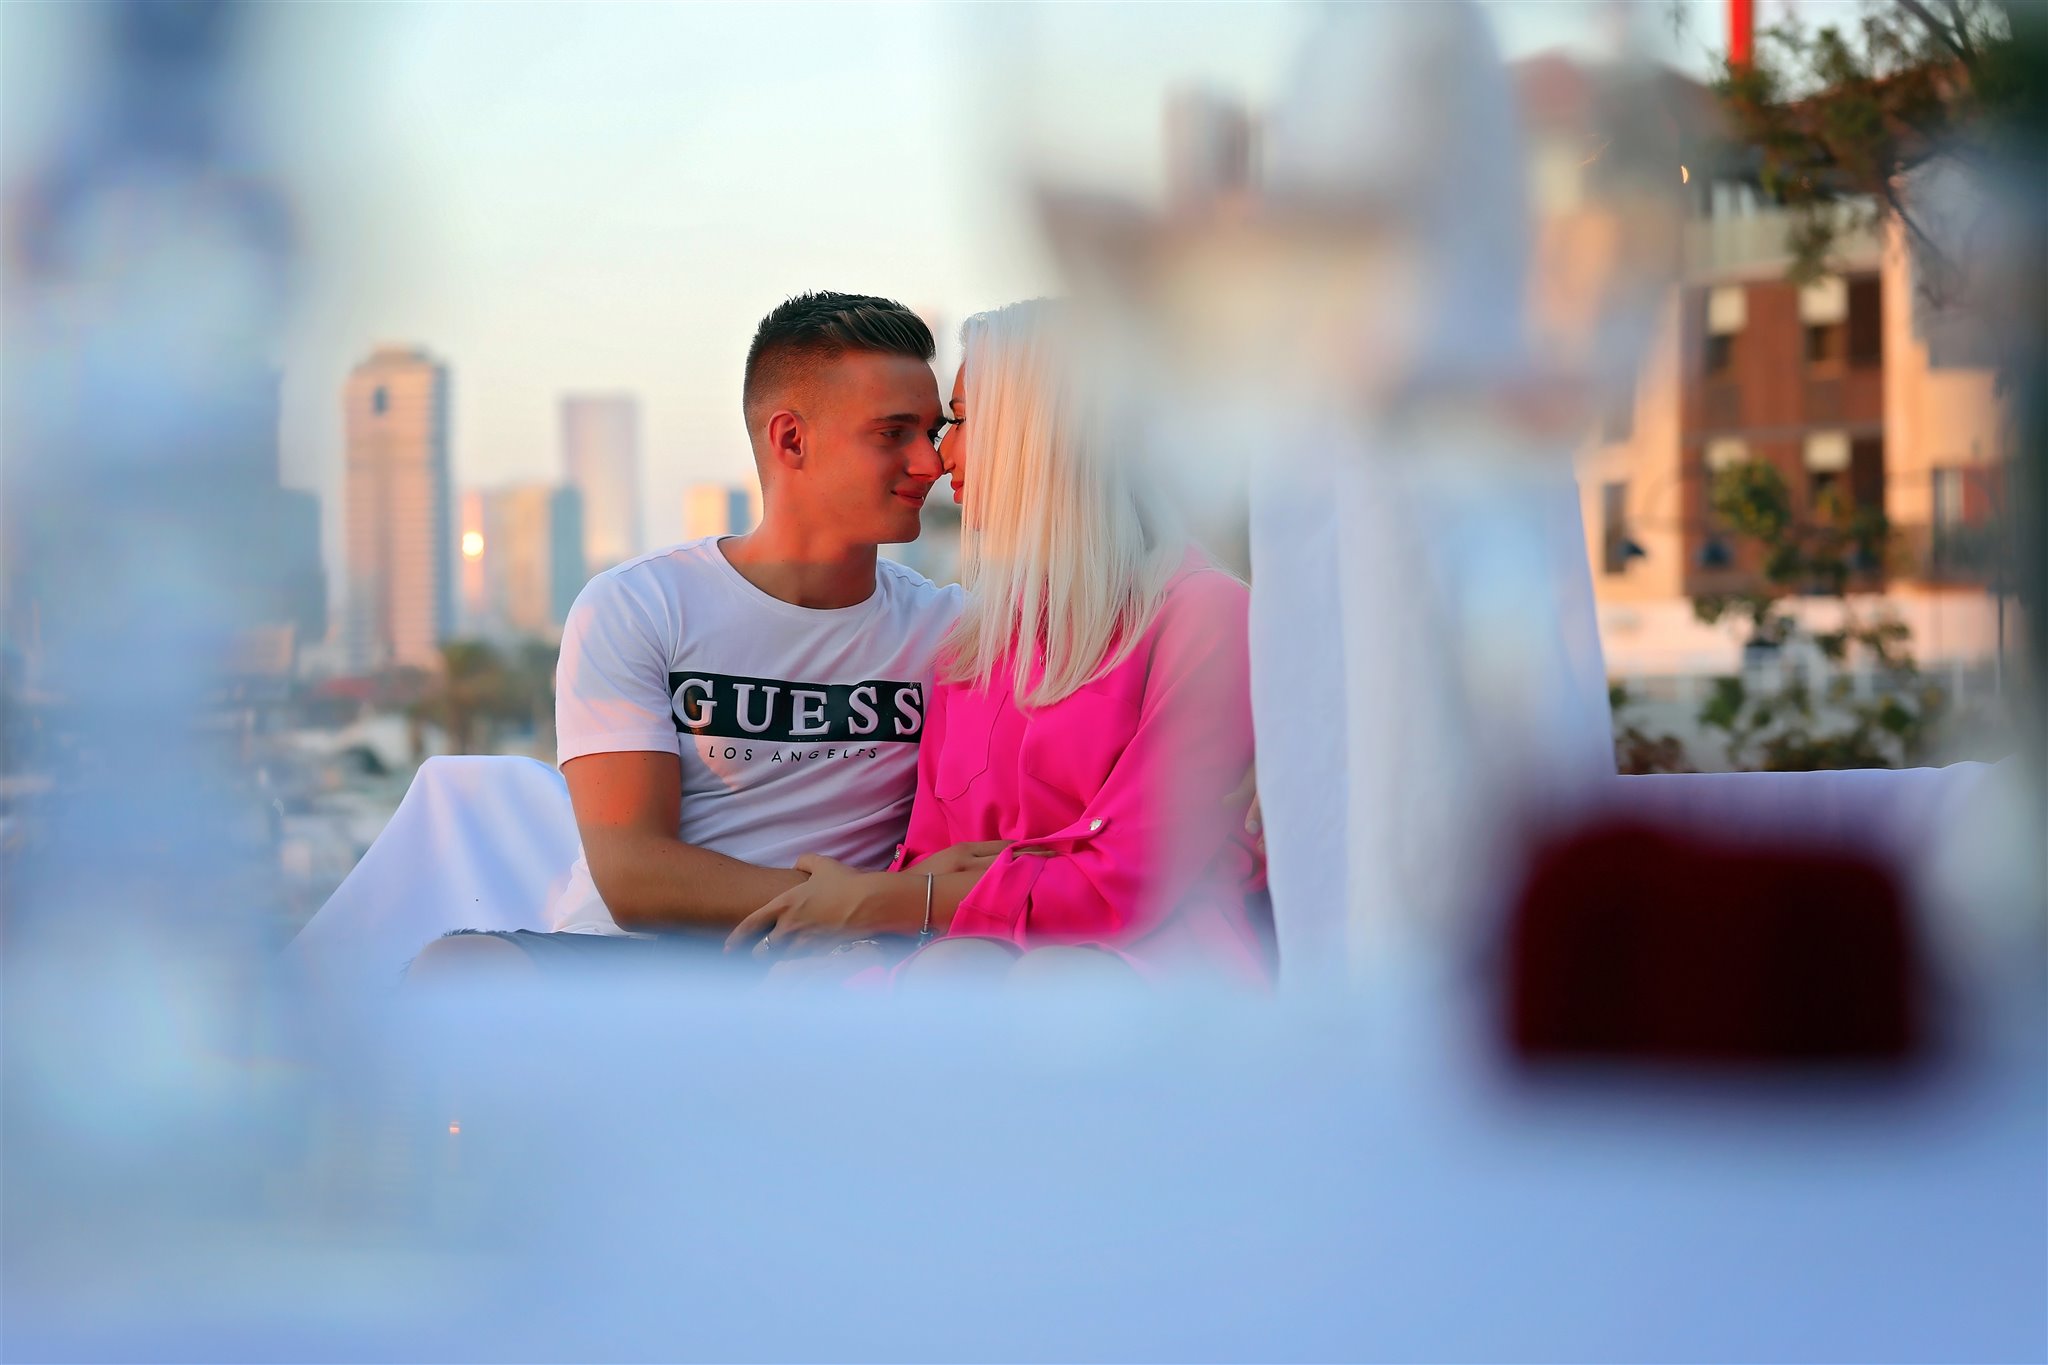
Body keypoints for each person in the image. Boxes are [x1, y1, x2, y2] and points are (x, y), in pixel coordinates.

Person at [409, 291, 1000, 978]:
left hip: (838, 966)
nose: (929, 463)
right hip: (635, 960)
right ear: (791, 440)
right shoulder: (641, 604)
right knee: (457, 969)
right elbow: (635, 877)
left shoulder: (954, 629)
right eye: (892, 433)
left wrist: (870, 914)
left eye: (931, 432)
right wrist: (872, 901)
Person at [725, 300, 1271, 986]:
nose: (938, 458)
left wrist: (885, 901)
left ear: (1041, 431)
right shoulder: (973, 645)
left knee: (1005, 980)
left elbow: (1126, 881)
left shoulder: (1204, 617)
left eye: (959, 421)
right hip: (971, 954)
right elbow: (927, 859)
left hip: (1156, 962)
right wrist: (876, 923)